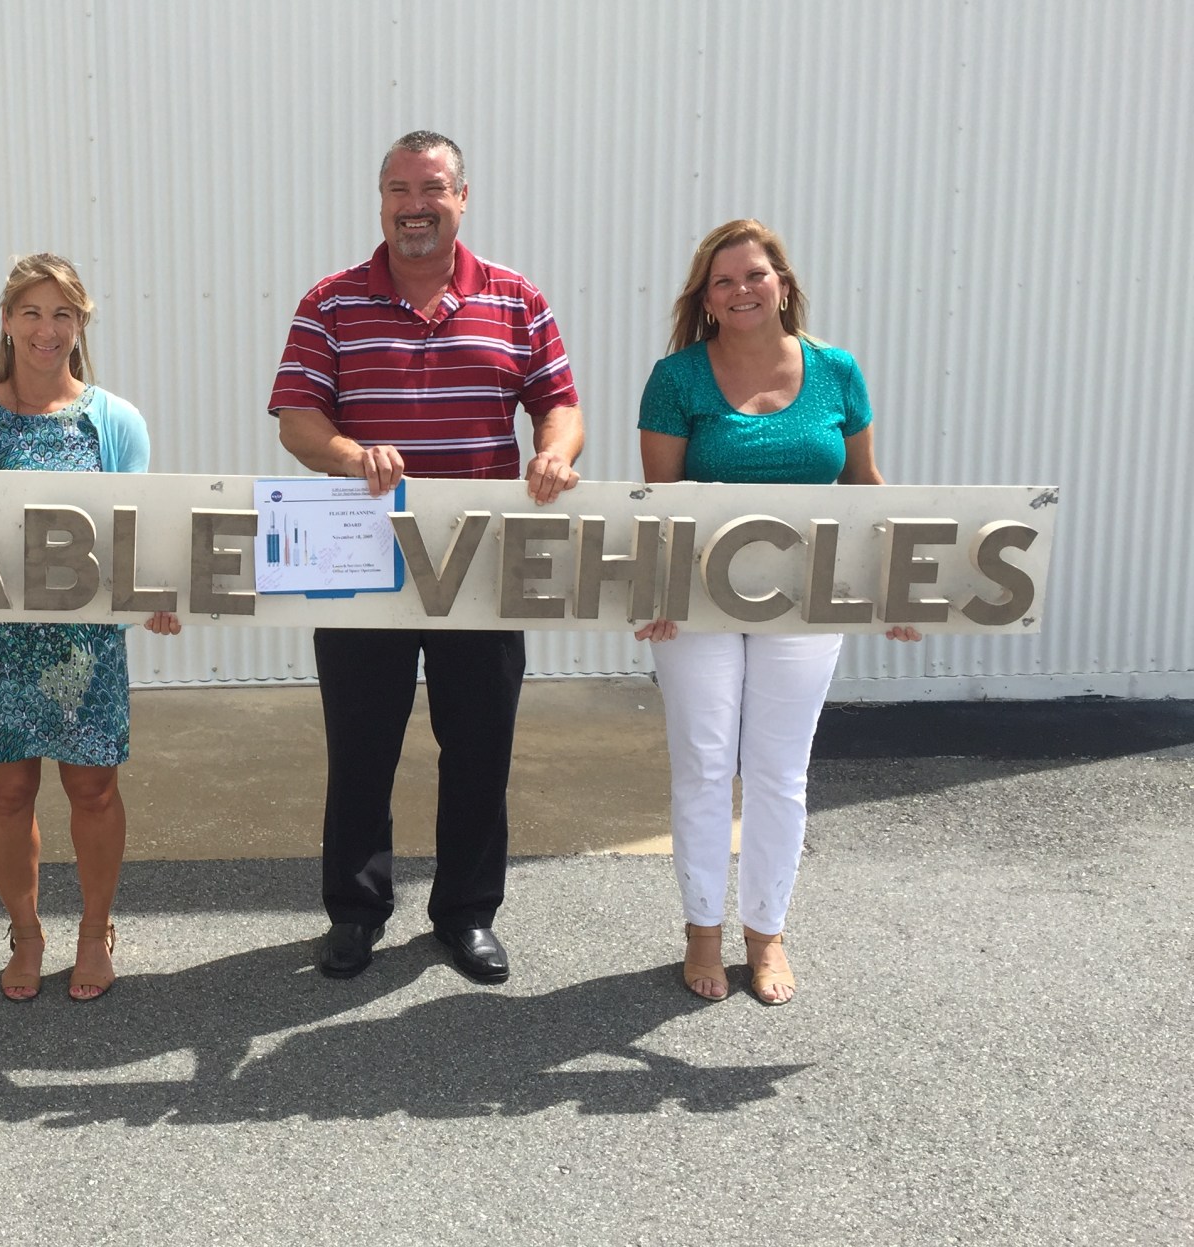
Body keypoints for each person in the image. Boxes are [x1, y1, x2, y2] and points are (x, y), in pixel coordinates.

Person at [269, 131, 585, 984]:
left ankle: (467, 916)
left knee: (480, 744)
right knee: (361, 745)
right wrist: (348, 455)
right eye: (400, 188)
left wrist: (553, 453)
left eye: (433, 188)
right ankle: (356, 913)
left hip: (479, 560)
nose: (416, 203)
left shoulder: (517, 299)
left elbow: (558, 403)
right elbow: (298, 418)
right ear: (381, 201)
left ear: (462, 197)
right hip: (358, 555)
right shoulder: (331, 302)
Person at [633, 217, 918, 1005]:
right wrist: (654, 592)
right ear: (707, 299)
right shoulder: (678, 378)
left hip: (807, 595)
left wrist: (901, 581)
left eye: (754, 275)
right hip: (699, 600)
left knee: (778, 773)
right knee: (703, 765)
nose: (741, 290)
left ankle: (766, 934)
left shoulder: (836, 370)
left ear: (782, 283)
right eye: (723, 281)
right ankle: (701, 931)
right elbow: (658, 502)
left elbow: (863, 483)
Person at [0, 255, 179, 1002]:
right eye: (32, 313)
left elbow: (137, 526)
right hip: (1, 636)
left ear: (80, 326)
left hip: (85, 642)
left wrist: (159, 592)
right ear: (7, 321)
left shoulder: (111, 419)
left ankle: (94, 930)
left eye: (62, 316)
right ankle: (25, 931)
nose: (46, 331)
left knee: (93, 789)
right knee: (9, 791)